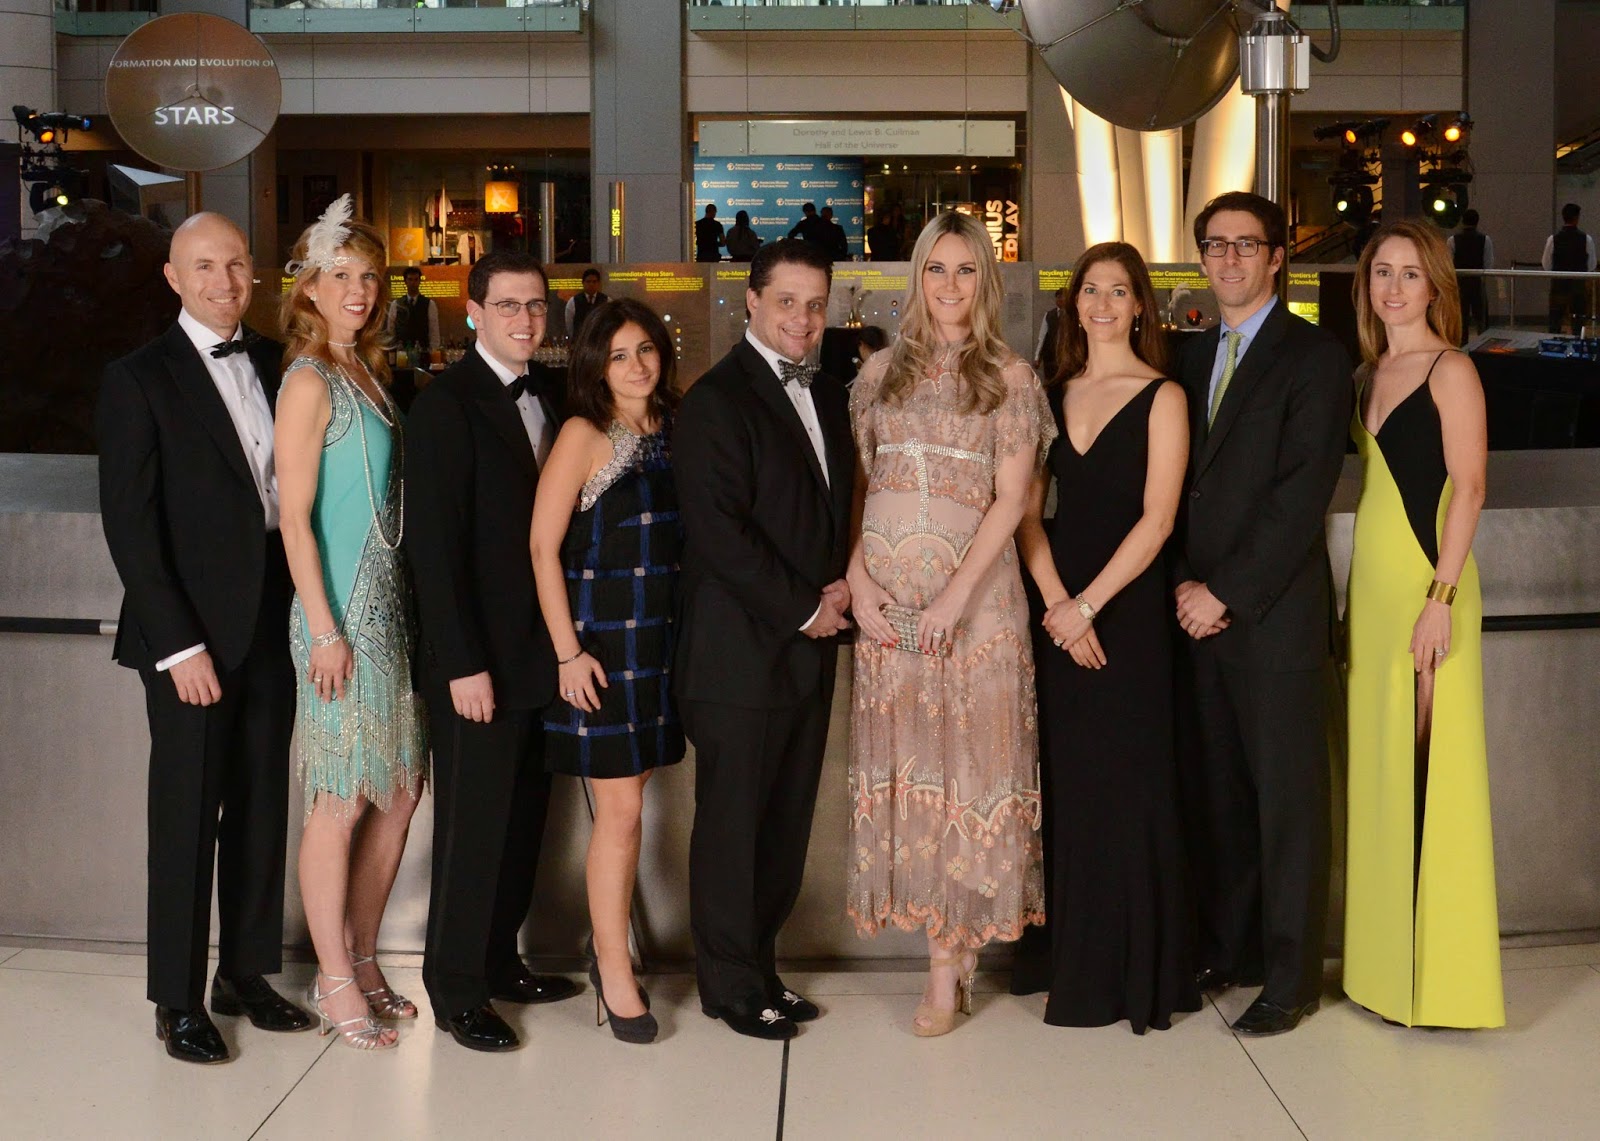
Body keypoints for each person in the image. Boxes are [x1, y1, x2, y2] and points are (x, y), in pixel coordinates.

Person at [97, 212, 311, 1064]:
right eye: (205, 266)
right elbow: (131, 527)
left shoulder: (280, 362)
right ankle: (177, 999)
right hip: (189, 633)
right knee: (187, 814)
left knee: (261, 804)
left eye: (236, 264)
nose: (225, 282)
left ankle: (245, 974)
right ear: (174, 278)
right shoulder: (137, 378)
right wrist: (178, 645)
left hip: (274, 618)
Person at [845, 210, 1054, 1036]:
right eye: (938, 268)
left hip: (975, 611)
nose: (951, 285)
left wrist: (951, 600)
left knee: (969, 774)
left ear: (986, 281)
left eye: (967, 270)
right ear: (917, 277)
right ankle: (945, 951)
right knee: (916, 778)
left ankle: (945, 968)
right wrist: (857, 577)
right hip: (889, 613)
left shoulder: (1012, 377)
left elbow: (1013, 500)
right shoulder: (878, 373)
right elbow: (865, 487)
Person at [1173, 191, 1353, 1036]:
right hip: (1198, 619)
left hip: (1273, 620)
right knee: (1222, 799)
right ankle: (1233, 949)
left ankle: (1290, 978)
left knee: (1288, 808)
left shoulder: (1315, 356)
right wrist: (1186, 585)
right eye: (1216, 245)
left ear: (1278, 257)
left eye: (1247, 245)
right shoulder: (1190, 355)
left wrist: (1225, 592)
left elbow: (1299, 493)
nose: (1231, 259)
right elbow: (1178, 485)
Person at [1015, 242, 1199, 1034]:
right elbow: (1024, 515)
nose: (1101, 304)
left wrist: (1088, 605)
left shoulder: (1164, 396)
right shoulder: (1048, 393)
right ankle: (1069, 962)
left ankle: (1134, 972)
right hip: (1059, 612)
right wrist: (1059, 605)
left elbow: (1158, 521)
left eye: (1118, 291)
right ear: (1074, 303)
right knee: (1071, 785)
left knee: (1131, 784)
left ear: (1139, 306)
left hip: (1128, 612)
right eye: (1090, 289)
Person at [675, 238, 854, 1041]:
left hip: (806, 650)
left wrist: (842, 585)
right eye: (787, 301)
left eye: (815, 304)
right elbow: (720, 533)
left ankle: (760, 968)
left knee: (782, 826)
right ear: (750, 300)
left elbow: (828, 511)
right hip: (739, 655)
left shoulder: (829, 393)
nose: (803, 319)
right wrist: (807, 606)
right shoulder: (715, 399)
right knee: (734, 828)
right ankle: (729, 985)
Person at [406, 249, 580, 1052]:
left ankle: (500, 960)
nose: (525, 319)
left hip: (540, 654)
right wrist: (460, 663)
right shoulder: (445, 406)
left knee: (521, 824)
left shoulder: (553, 394)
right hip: (477, 662)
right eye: (508, 304)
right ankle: (455, 989)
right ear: (472, 311)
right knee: (472, 830)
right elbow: (434, 550)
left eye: (536, 305)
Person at [274, 197, 428, 1050]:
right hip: (336, 616)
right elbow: (295, 519)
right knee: (338, 798)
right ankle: (334, 976)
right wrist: (325, 628)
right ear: (309, 288)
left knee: (398, 790)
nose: (359, 290)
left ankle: (364, 957)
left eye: (369, 276)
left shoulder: (367, 371)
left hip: (388, 607)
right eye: (341, 275)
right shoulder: (309, 379)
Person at [1344, 220, 1503, 1029]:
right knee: (1382, 771)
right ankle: (1384, 972)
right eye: (1383, 272)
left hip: (1426, 590)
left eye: (1410, 273)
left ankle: (1438, 983)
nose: (1394, 287)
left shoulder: (1452, 369)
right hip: (1371, 594)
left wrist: (1439, 599)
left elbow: (1469, 487)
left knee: (1428, 768)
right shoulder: (1367, 373)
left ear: (1436, 284)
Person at [530, 298, 686, 1045]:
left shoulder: (676, 427)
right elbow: (541, 548)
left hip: (662, 641)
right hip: (600, 645)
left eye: (645, 349)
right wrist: (567, 652)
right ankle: (614, 964)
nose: (636, 365)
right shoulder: (583, 433)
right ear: (596, 365)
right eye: (619, 354)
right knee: (620, 811)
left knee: (637, 797)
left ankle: (610, 946)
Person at [1542, 203, 1596, 334]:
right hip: (1578, 286)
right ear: (1577, 218)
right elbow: (1592, 265)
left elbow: (1546, 264)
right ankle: (1577, 344)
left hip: (1558, 285)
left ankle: (1553, 344)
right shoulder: (1586, 239)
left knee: (1555, 321)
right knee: (1578, 323)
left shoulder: (1553, 239)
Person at [1447, 210, 1494, 339]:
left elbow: (1448, 264)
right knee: (1481, 319)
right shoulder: (1485, 240)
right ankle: (1483, 343)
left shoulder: (1452, 240)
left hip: (1459, 283)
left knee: (1461, 319)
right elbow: (1488, 264)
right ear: (1477, 222)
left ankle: (1462, 345)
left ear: (1462, 221)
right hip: (1477, 282)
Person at [386, 266, 440, 352]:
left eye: (416, 279)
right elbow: (391, 330)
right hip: (401, 351)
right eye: (410, 279)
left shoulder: (429, 304)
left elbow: (434, 331)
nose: (413, 283)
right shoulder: (396, 304)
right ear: (405, 281)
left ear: (419, 281)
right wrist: (392, 350)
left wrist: (434, 351)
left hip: (423, 350)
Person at [564, 267, 609, 340]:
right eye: (588, 281)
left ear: (598, 283)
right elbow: (569, 325)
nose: (591, 284)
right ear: (583, 283)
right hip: (580, 341)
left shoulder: (607, 301)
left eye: (594, 282)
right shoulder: (573, 302)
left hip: (600, 341)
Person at [1034, 286, 1069, 379]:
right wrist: (1037, 357)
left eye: (1063, 297)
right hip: (1051, 358)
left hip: (1068, 357)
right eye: (1058, 297)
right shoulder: (1049, 315)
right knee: (1051, 381)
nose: (1060, 299)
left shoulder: (1073, 315)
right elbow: (1042, 337)